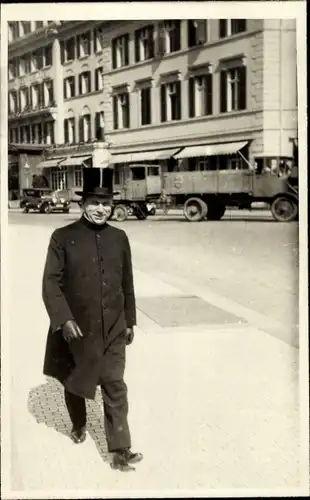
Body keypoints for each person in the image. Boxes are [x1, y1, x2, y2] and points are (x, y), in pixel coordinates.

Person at [42, 167, 143, 472]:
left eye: (106, 202)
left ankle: (120, 449)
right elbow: (50, 283)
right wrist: (63, 319)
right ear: (82, 203)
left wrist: (129, 320)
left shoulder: (120, 237)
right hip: (77, 327)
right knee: (76, 381)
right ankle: (78, 423)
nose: (102, 209)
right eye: (95, 202)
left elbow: (127, 280)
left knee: (114, 384)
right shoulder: (62, 237)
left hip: (113, 327)